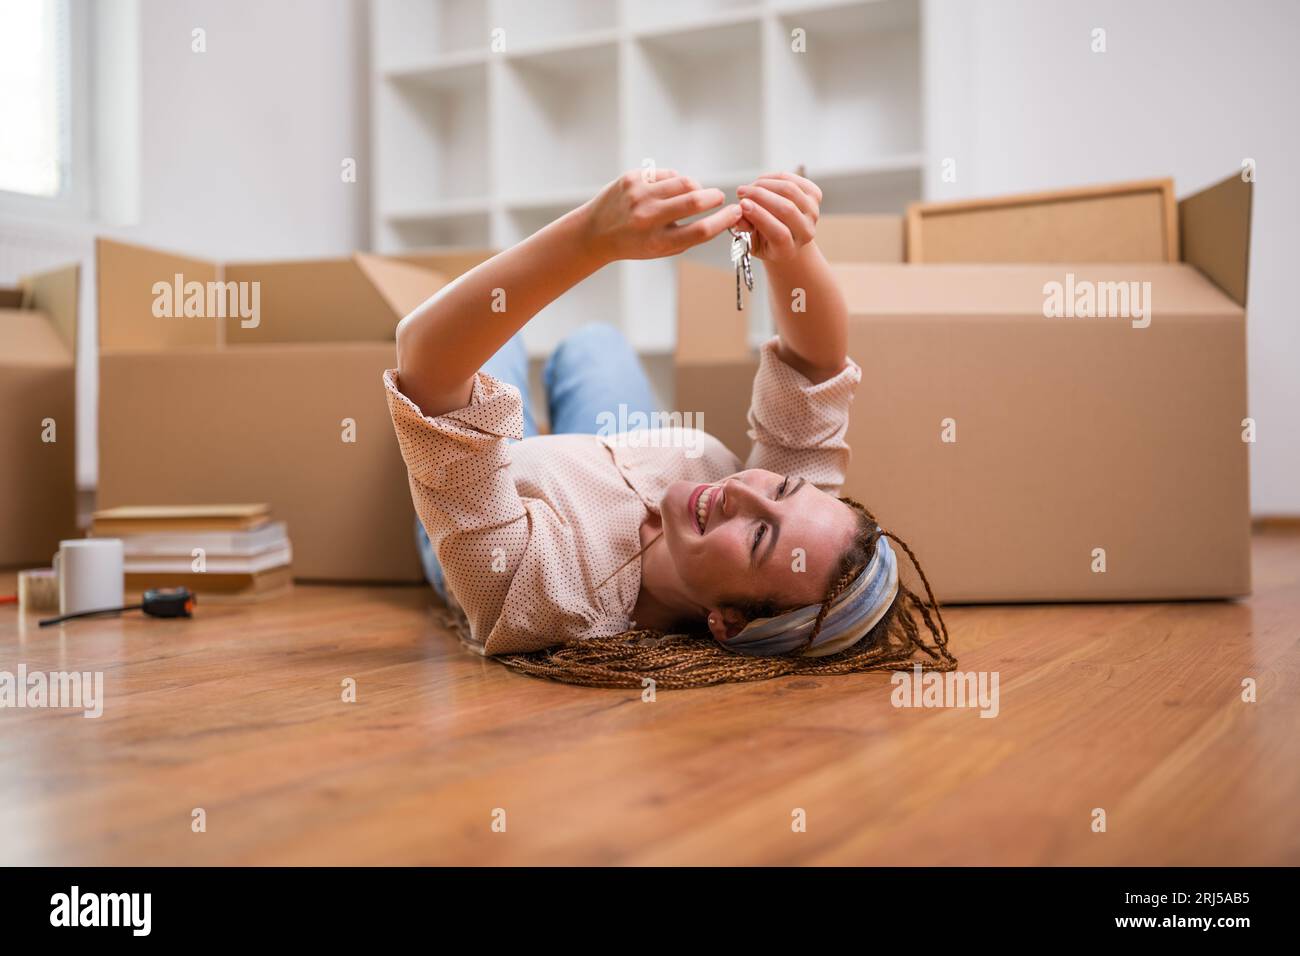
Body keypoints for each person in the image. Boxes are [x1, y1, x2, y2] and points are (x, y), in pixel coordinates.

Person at [386, 169, 954, 687]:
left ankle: (503, 434)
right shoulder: (800, 536)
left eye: (758, 536)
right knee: (596, 343)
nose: (741, 489)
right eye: (782, 488)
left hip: (498, 500)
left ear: (727, 621)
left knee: (486, 346)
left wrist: (589, 240)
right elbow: (817, 368)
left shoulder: (547, 594)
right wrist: (792, 250)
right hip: (613, 447)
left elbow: (425, 367)